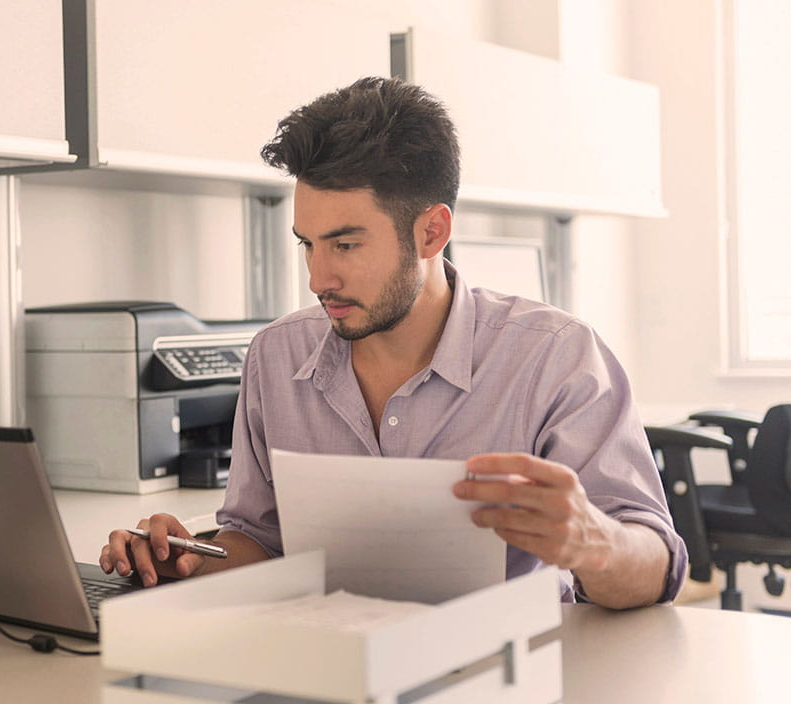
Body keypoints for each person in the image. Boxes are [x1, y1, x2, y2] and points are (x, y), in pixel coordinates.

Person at [100, 76, 686, 609]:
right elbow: (259, 542)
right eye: (308, 244)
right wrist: (185, 560)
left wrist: (593, 539)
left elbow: (658, 568)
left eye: (346, 245)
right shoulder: (276, 356)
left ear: (432, 231)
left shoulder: (555, 356)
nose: (317, 278)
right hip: (330, 673)